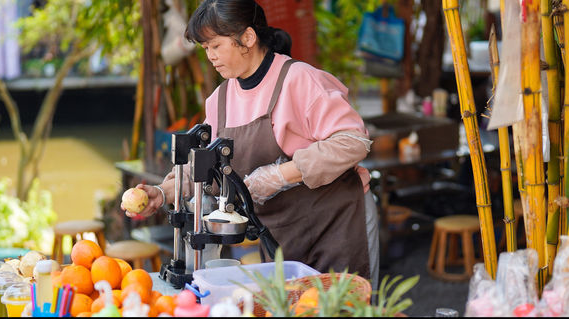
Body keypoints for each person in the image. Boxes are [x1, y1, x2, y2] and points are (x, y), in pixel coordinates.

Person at [123, 0, 379, 289]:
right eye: (205, 49)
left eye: (216, 46)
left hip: (337, 224)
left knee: (346, 317)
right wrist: (162, 192)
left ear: (247, 37)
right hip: (279, 235)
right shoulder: (219, 101)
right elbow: (206, 168)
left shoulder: (300, 80)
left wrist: (280, 175)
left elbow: (353, 141)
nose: (210, 57)